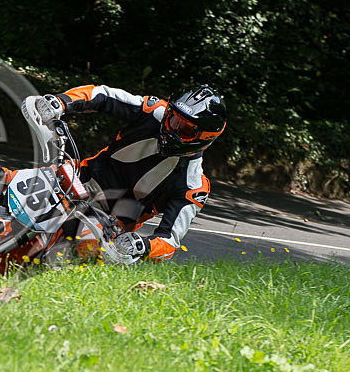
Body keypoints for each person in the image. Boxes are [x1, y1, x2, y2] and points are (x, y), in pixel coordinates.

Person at [27, 84, 227, 261]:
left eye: (185, 127)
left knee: (59, 250)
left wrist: (142, 246)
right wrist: (62, 101)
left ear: (205, 137)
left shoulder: (194, 187)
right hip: (78, 176)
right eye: (173, 118)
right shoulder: (153, 111)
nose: (172, 128)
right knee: (11, 180)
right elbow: (104, 95)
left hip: (109, 222)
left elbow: (170, 240)